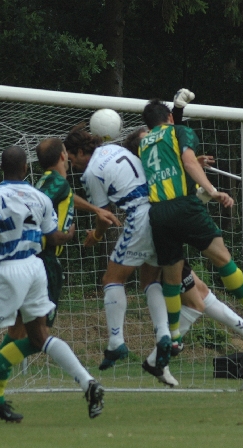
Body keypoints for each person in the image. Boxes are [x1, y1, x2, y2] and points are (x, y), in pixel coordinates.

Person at [0, 146, 104, 427]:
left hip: (9, 270)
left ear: (1, 167)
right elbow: (52, 236)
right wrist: (70, 234)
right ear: (26, 169)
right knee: (39, 337)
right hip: (37, 269)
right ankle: (88, 384)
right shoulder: (39, 196)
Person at [123, 125, 243, 386]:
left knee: (201, 291)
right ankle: (162, 353)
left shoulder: (158, 178)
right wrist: (205, 191)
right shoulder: (148, 183)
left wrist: (191, 169)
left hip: (162, 237)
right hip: (156, 244)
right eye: (147, 142)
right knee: (195, 302)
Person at [0, 138, 119, 421]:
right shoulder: (57, 184)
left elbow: (60, 196)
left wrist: (92, 210)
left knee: (18, 333)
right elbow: (49, 204)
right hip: (43, 264)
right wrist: (63, 235)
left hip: (26, 261)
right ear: (65, 155)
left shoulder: (45, 183)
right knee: (35, 338)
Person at [138, 92, 243, 355]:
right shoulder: (180, 133)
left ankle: (174, 336)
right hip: (184, 206)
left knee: (173, 279)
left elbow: (173, 165)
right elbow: (187, 161)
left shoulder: (144, 143)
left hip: (158, 213)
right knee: (222, 257)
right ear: (168, 118)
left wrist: (178, 108)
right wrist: (211, 189)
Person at [63, 128, 173, 371]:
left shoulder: (91, 172)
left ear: (81, 152)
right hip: (161, 212)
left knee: (111, 279)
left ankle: (116, 342)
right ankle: (164, 335)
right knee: (149, 279)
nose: (73, 165)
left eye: (72, 159)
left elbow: (104, 215)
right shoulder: (116, 149)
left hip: (140, 216)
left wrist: (96, 235)